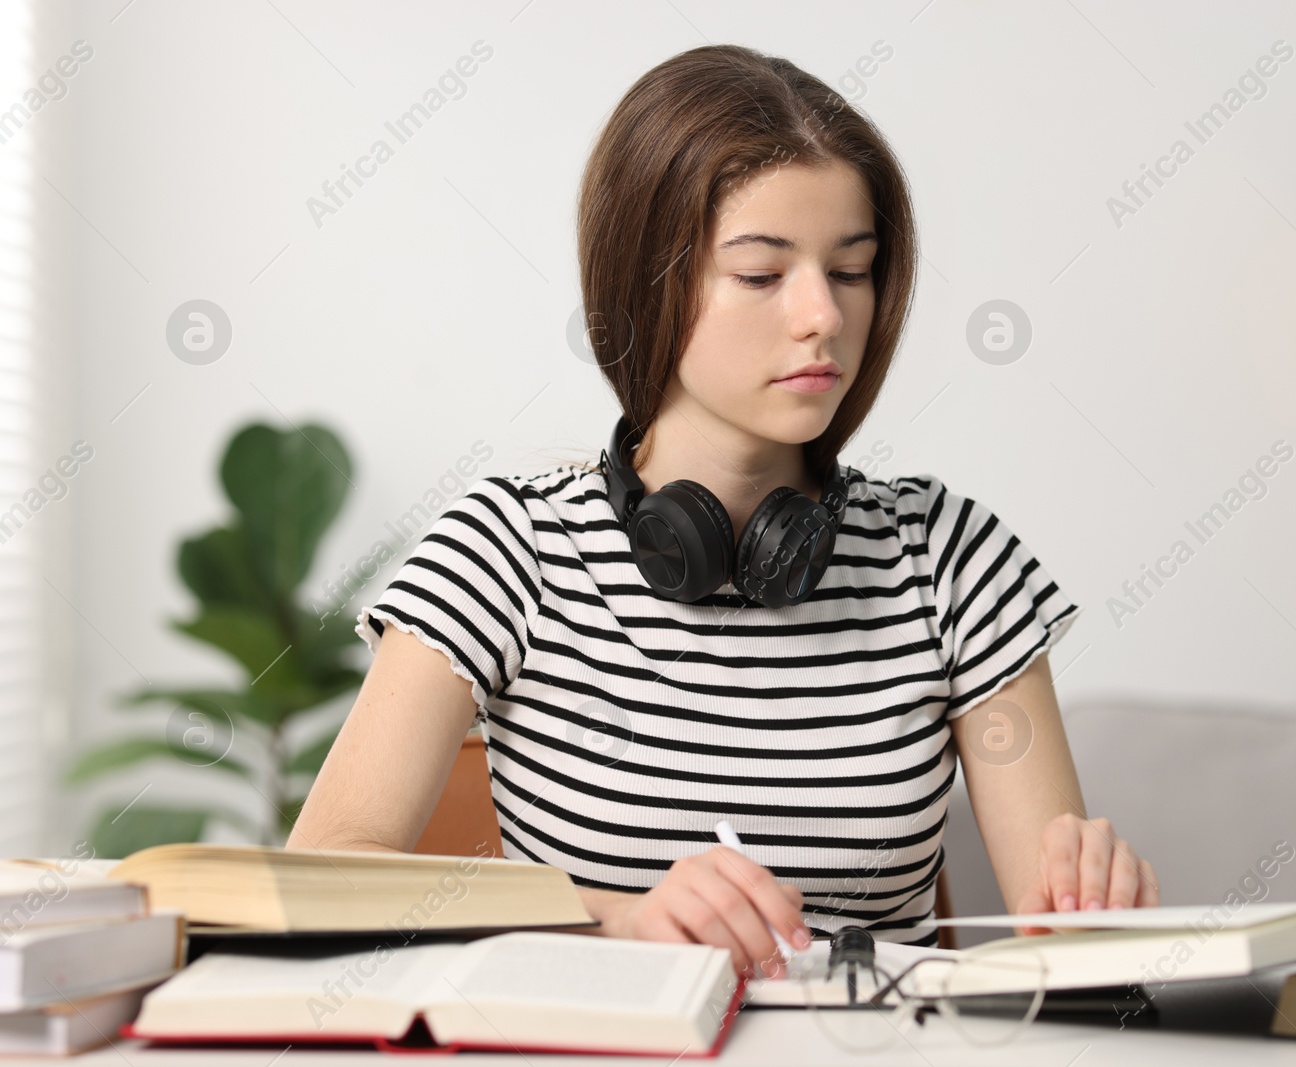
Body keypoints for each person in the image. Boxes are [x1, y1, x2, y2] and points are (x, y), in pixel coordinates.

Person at [289, 42, 1157, 983]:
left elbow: (1068, 948)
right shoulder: (507, 548)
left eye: (852, 269)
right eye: (761, 273)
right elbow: (324, 876)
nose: (822, 314)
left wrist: (1089, 925)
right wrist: (608, 924)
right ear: (646, 286)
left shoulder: (952, 560)